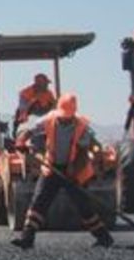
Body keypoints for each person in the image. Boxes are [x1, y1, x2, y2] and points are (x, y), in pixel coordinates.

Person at [10, 93, 114, 250]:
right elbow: (29, 131)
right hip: (52, 167)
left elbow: (82, 153)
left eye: (68, 117)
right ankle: (27, 238)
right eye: (63, 116)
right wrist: (20, 141)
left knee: (83, 205)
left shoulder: (81, 126)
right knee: (39, 201)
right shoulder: (48, 119)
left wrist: (73, 173)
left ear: (74, 114)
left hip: (74, 169)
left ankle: (104, 237)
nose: (65, 119)